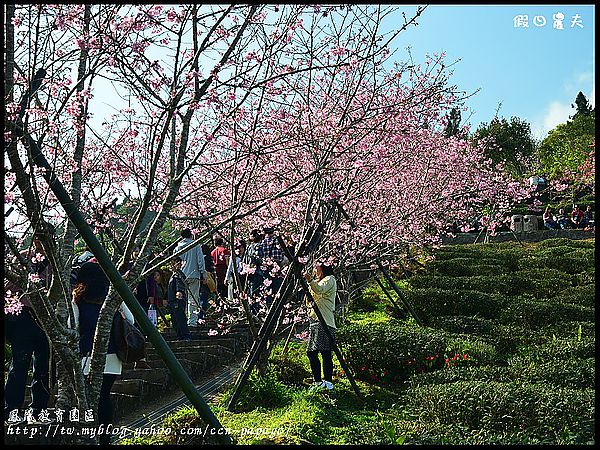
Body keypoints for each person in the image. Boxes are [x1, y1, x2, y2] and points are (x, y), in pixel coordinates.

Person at [71, 260, 135, 446]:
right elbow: (130, 320)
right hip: (113, 357)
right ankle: (106, 438)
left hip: (87, 357)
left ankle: (87, 436)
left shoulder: (78, 299)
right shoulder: (113, 297)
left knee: (88, 399)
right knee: (104, 397)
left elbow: (71, 326)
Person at [4, 223, 54, 424]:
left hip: (47, 321)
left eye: (48, 238)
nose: (45, 242)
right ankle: (11, 411)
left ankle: (38, 411)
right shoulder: (22, 257)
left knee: (44, 367)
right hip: (22, 319)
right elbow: (7, 287)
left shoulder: (56, 263)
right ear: (35, 239)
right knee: (19, 365)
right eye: (41, 238)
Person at [303, 263, 337, 391]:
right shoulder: (318, 281)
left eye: (316, 267)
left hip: (325, 321)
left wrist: (310, 280)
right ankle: (318, 381)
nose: (314, 270)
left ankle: (327, 381)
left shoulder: (330, 279)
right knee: (312, 352)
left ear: (323, 267)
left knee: (325, 352)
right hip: (316, 321)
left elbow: (320, 290)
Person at [173, 229, 207, 328]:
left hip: (181, 276)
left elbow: (175, 263)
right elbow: (200, 261)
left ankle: (181, 320)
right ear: (191, 235)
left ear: (181, 237)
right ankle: (192, 321)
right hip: (194, 275)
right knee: (193, 299)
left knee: (181, 299)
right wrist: (203, 274)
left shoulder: (177, 247)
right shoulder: (196, 245)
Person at [257, 227, 287, 308]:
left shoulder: (264, 242)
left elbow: (262, 255)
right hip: (278, 266)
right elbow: (284, 251)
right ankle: (278, 304)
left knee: (267, 286)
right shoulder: (278, 240)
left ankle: (268, 305)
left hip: (267, 267)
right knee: (278, 287)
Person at [167, 257, 192, 341]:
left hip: (177, 301)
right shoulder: (174, 274)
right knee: (175, 320)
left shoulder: (178, 274)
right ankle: (180, 336)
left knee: (180, 318)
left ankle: (185, 336)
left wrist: (179, 291)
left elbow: (179, 284)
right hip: (172, 300)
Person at [242, 229, 264, 314]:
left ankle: (251, 311)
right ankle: (254, 311)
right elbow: (259, 260)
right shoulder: (259, 246)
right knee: (256, 292)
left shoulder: (249, 246)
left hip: (248, 272)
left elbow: (245, 260)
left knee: (251, 292)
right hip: (257, 272)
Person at [211, 237, 231, 302]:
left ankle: (217, 303)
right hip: (223, 269)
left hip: (216, 270)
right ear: (222, 243)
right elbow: (227, 262)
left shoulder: (212, 252)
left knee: (217, 288)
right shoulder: (225, 251)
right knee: (224, 287)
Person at [199, 244, 215, 320]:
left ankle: (199, 315)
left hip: (198, 280)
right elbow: (212, 270)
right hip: (206, 280)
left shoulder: (198, 258)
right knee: (204, 298)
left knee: (199, 298)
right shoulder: (209, 258)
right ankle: (202, 314)